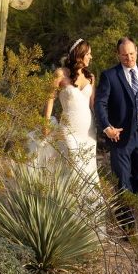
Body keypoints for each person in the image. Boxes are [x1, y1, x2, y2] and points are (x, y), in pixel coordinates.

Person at [93, 37, 138, 226]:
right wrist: (107, 127)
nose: (128, 58)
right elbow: (100, 103)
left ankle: (123, 200)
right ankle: (127, 228)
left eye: (131, 54)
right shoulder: (110, 76)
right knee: (123, 180)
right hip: (119, 138)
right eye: (124, 55)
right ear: (118, 55)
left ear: (137, 51)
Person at [43, 38, 100, 194]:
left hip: (88, 132)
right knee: (73, 167)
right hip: (68, 129)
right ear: (79, 55)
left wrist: (106, 125)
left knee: (87, 171)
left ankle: (88, 213)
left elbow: (94, 106)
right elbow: (49, 99)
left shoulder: (91, 77)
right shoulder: (60, 74)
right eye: (88, 54)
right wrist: (46, 124)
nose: (91, 57)